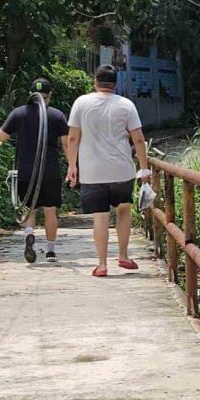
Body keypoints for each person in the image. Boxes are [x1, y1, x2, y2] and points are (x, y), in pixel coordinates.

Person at [65, 64, 150, 277]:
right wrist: (144, 169)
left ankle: (102, 264)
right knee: (123, 210)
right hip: (122, 170)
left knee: (100, 216)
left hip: (92, 172)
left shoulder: (81, 103)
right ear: (116, 83)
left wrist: (72, 165)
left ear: (95, 81)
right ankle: (123, 255)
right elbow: (138, 139)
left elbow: (73, 137)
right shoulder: (126, 105)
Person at [0, 78, 69, 263]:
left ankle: (29, 234)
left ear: (31, 94)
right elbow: (66, 144)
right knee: (50, 211)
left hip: (26, 171)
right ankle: (51, 251)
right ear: (50, 95)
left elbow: (2, 136)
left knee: (28, 210)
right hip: (50, 170)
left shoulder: (19, 113)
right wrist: (72, 167)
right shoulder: (57, 115)